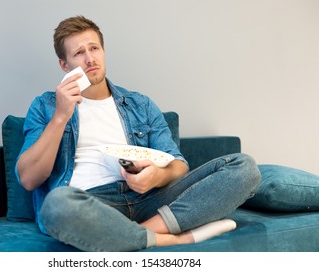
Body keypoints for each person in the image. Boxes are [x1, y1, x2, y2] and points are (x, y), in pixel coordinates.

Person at [15, 15, 261, 252]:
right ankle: (175, 240)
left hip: (150, 200)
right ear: (64, 64)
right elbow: (29, 179)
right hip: (92, 203)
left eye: (95, 48)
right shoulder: (46, 106)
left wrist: (157, 176)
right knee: (57, 205)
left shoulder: (139, 104)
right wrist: (60, 116)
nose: (90, 59)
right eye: (79, 53)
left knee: (243, 168)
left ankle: (134, 234)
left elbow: (178, 165)